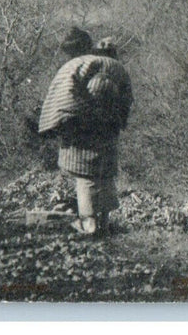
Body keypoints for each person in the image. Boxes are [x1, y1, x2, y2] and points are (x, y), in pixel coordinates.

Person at [38, 28, 133, 236]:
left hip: (84, 127)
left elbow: (64, 100)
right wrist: (114, 119)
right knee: (105, 174)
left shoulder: (75, 65)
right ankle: (105, 222)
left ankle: (89, 224)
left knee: (85, 175)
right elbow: (126, 99)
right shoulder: (115, 66)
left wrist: (67, 123)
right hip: (108, 125)